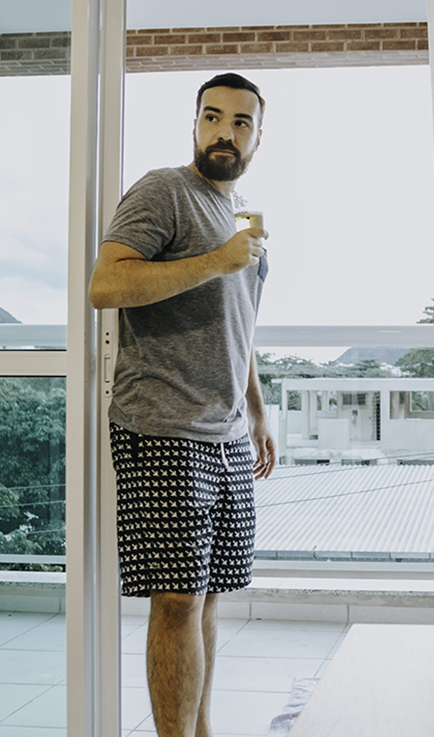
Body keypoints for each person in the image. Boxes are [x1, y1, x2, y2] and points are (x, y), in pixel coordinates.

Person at [89, 72, 276, 737]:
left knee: (208, 598)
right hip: (162, 424)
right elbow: (106, 285)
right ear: (194, 125)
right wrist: (216, 262)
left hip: (227, 433)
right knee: (176, 601)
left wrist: (257, 410)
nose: (225, 132)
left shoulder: (246, 218)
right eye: (212, 117)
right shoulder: (164, 191)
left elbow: (239, 326)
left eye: (241, 122)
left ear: (258, 136)